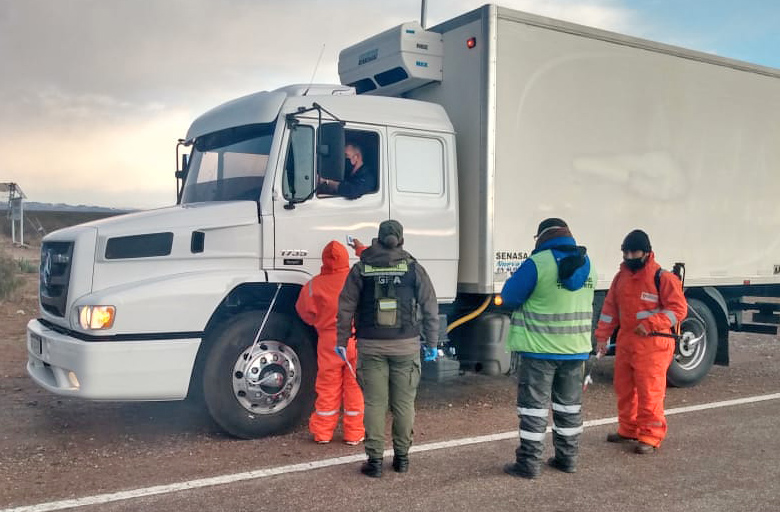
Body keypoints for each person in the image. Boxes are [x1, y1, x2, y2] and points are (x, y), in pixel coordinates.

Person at [336, 219, 439, 478]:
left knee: (374, 403)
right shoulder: (413, 268)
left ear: (378, 240)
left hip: (370, 345)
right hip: (406, 345)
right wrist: (432, 342)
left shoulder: (362, 268)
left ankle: (374, 462)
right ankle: (402, 459)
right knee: (404, 404)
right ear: (401, 240)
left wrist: (340, 341)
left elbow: (345, 306)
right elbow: (429, 306)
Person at [501, 218, 596, 479]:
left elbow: (509, 297)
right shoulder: (589, 265)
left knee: (534, 408)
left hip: (539, 350)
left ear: (542, 237)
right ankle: (568, 459)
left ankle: (529, 463)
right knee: (569, 407)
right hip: (575, 351)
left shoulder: (537, 264)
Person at [594, 229, 687, 454]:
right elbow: (610, 310)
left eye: (633, 252)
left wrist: (650, 324)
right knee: (624, 388)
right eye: (626, 252)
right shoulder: (621, 278)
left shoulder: (663, 277)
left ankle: (651, 436)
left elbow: (678, 309)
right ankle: (628, 429)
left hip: (653, 344)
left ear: (646, 252)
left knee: (649, 391)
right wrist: (602, 337)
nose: (629, 256)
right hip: (628, 341)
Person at [295, 241, 365, 445]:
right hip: (354, 339)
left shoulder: (313, 285)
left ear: (324, 260)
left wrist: (318, 323)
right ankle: (354, 433)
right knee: (355, 387)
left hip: (329, 342)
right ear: (345, 259)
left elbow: (304, 311)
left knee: (327, 387)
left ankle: (323, 433)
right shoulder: (356, 280)